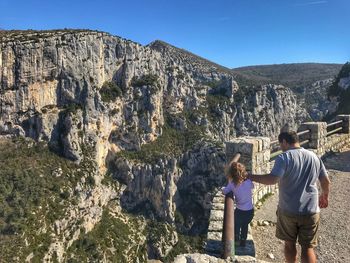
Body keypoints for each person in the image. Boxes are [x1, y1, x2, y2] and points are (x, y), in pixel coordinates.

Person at [248, 131, 330, 263]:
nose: (281, 147)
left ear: (285, 142)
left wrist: (249, 176)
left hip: (288, 210)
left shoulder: (284, 157)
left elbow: (272, 179)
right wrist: (325, 195)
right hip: (311, 210)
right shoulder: (314, 156)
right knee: (308, 248)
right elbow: (325, 181)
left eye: (281, 144)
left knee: (289, 244)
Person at [222, 161, 254, 247]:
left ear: (231, 174)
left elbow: (224, 191)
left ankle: (236, 240)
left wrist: (224, 188)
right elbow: (252, 186)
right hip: (250, 211)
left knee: (236, 225)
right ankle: (243, 241)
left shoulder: (232, 185)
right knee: (245, 225)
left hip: (240, 211)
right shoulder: (248, 182)